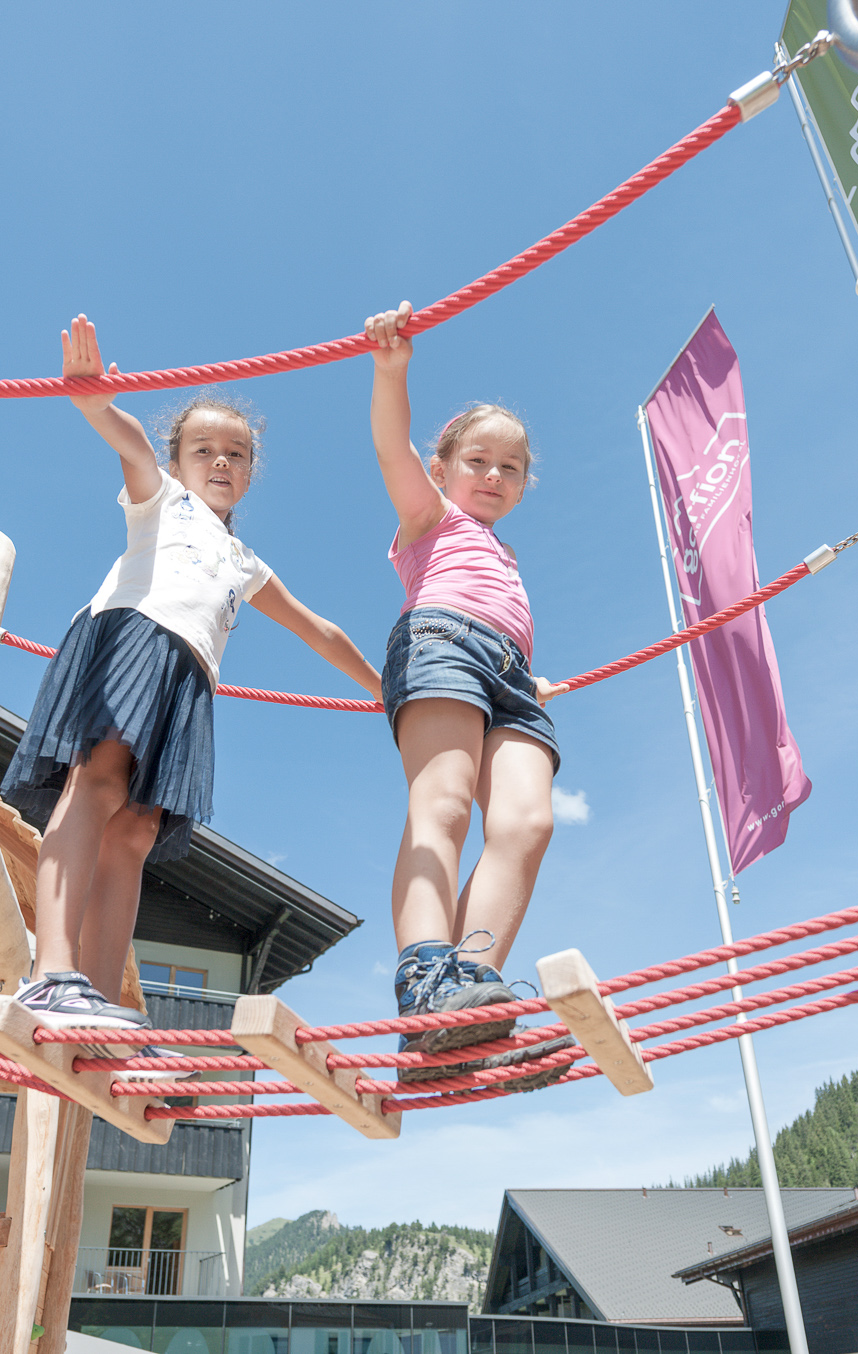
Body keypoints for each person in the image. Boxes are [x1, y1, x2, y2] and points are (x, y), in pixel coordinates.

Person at [5, 315, 383, 1032]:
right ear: (178, 462)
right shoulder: (163, 503)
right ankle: (50, 972)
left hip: (189, 678)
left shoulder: (244, 561)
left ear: (249, 472)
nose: (220, 462)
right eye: (203, 449)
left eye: (236, 454)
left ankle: (100, 997)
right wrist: (93, 402)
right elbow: (131, 447)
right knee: (101, 781)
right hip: (136, 636)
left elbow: (316, 628)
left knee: (139, 828)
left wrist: (382, 690)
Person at [364, 300, 575, 1093]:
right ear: (445, 467)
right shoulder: (431, 519)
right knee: (444, 805)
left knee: (528, 820)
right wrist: (393, 370)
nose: (493, 476)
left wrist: (527, 669)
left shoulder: (507, 552)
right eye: (477, 461)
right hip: (441, 644)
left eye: (510, 468)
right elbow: (391, 447)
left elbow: (506, 626)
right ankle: (425, 979)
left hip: (512, 680)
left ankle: (468, 1000)